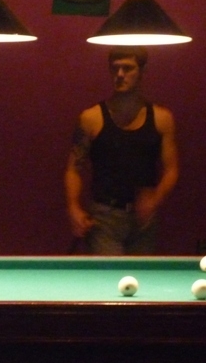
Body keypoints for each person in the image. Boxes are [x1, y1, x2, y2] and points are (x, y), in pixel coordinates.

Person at [64, 46, 179, 255]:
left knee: (140, 274)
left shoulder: (162, 118)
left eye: (127, 68)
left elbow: (171, 169)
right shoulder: (91, 118)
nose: (119, 74)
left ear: (142, 71)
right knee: (110, 273)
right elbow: (73, 169)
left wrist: (155, 198)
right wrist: (73, 207)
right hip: (104, 216)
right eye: (114, 68)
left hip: (144, 220)